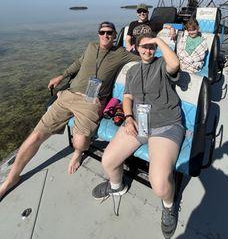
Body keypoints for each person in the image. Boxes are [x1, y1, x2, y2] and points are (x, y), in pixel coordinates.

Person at [0, 22, 139, 200]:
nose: (105, 35)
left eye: (109, 33)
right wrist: (62, 76)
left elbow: (144, 56)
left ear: (114, 36)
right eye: (102, 32)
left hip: (91, 102)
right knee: (35, 136)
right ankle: (10, 180)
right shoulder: (90, 47)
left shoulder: (120, 53)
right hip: (68, 95)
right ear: (98, 34)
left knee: (80, 142)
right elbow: (78, 63)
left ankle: (77, 153)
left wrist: (155, 44)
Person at [92, 33, 184, 239]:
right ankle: (117, 186)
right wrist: (129, 116)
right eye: (144, 46)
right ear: (136, 47)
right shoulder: (133, 70)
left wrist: (159, 41)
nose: (148, 50)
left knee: (159, 184)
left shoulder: (162, 65)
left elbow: (175, 63)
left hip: (165, 125)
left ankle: (169, 206)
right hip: (139, 123)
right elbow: (127, 97)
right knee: (108, 161)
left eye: (152, 47)